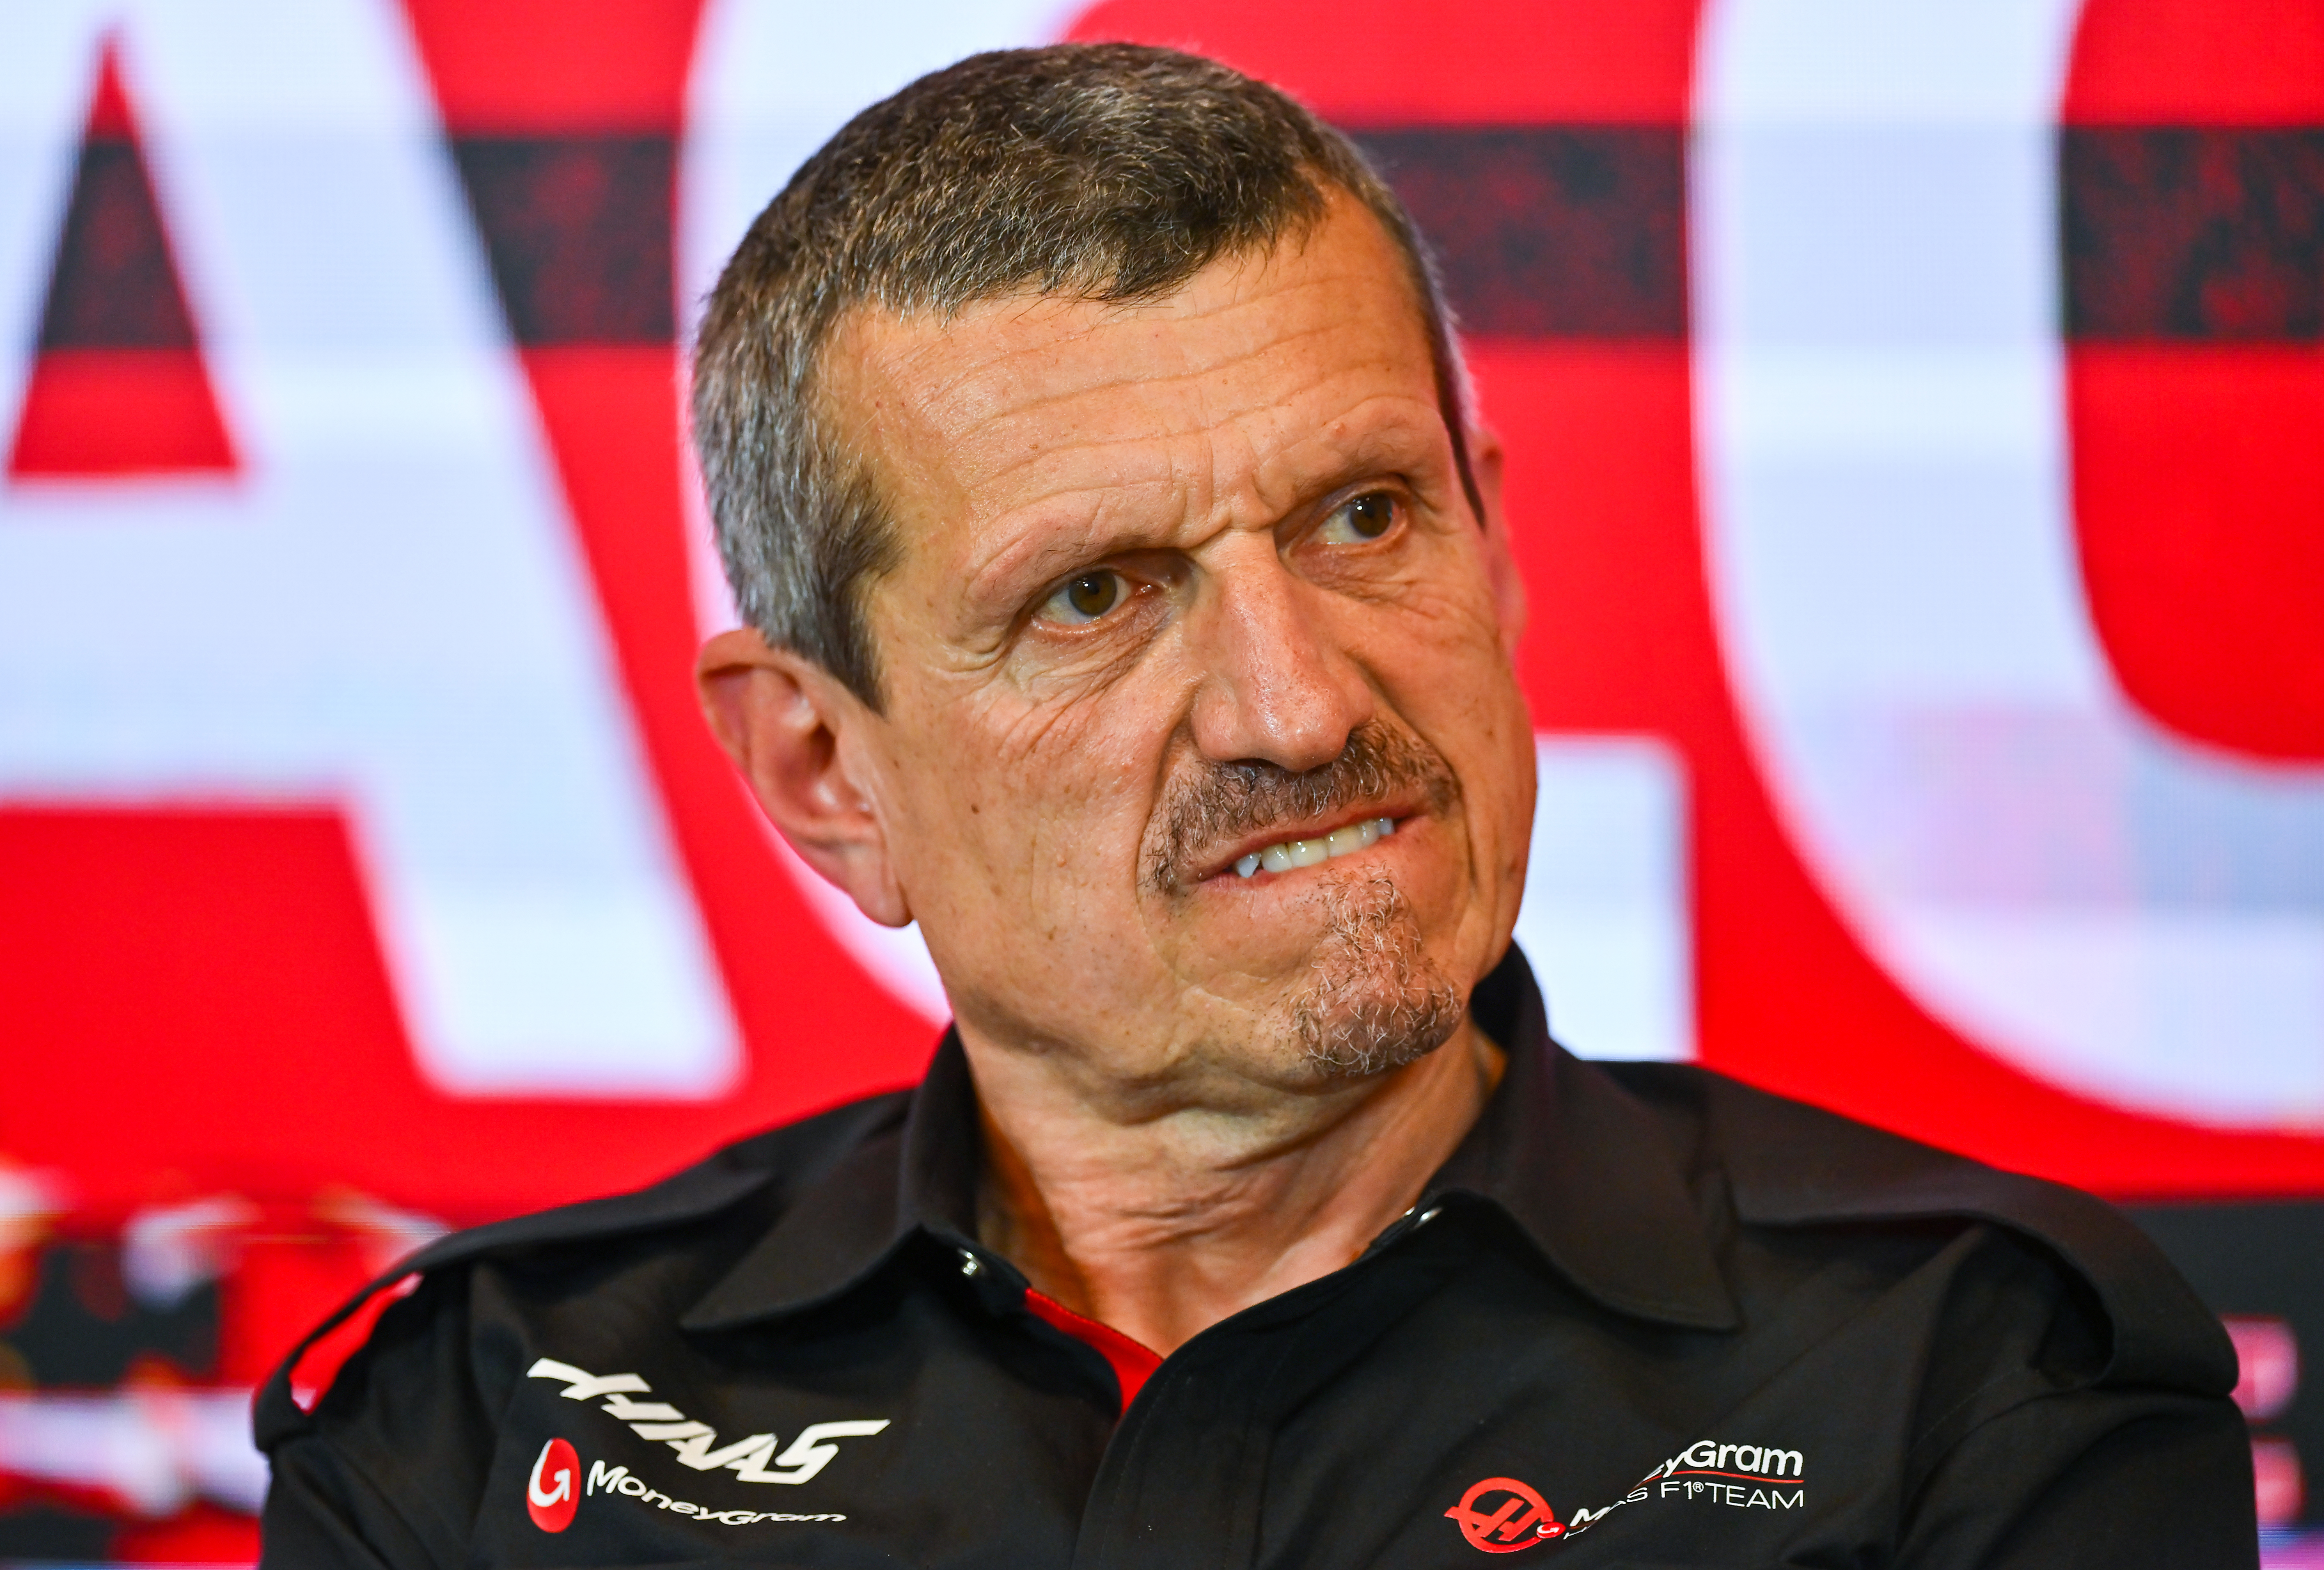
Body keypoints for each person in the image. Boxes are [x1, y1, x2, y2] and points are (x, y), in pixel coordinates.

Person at [254, 43, 2255, 1568]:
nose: (1297, 709)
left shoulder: (1977, 1375)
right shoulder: (479, 1419)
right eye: (1095, 597)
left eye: (1365, 518)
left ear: (1494, 540)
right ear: (825, 766)